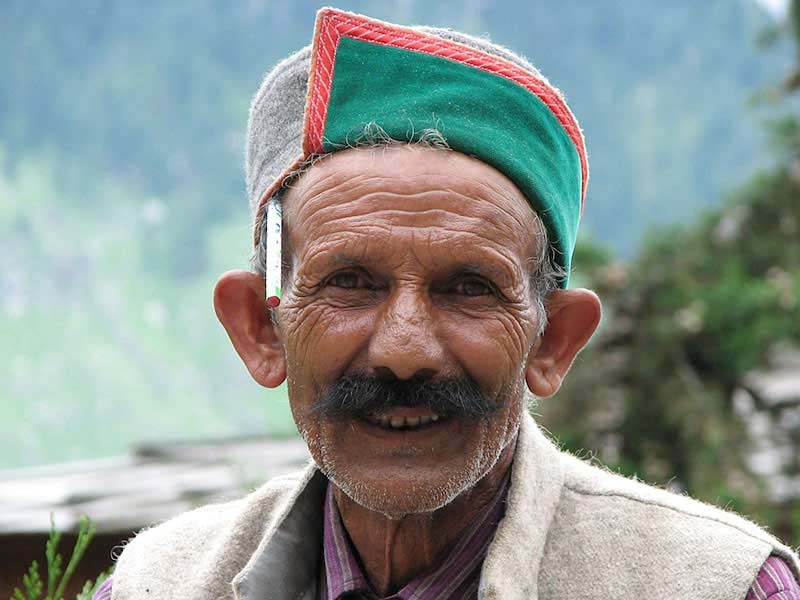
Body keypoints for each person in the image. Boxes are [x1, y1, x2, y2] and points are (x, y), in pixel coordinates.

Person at [96, 8, 800, 600]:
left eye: (469, 289)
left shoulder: (720, 587)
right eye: (349, 283)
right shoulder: (159, 584)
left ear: (552, 342)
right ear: (261, 328)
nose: (405, 351)